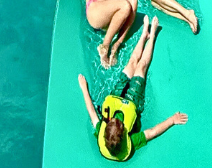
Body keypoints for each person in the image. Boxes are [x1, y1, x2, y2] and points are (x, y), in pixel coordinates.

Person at [77, 17, 187, 159]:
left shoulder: (101, 132)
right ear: (124, 135)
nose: (117, 120)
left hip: (116, 97)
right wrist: (172, 120)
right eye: (120, 124)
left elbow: (92, 113)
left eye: (111, 121)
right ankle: (152, 35)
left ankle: (143, 36)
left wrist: (84, 88)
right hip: (132, 102)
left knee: (132, 62)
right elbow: (151, 132)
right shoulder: (131, 142)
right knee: (141, 66)